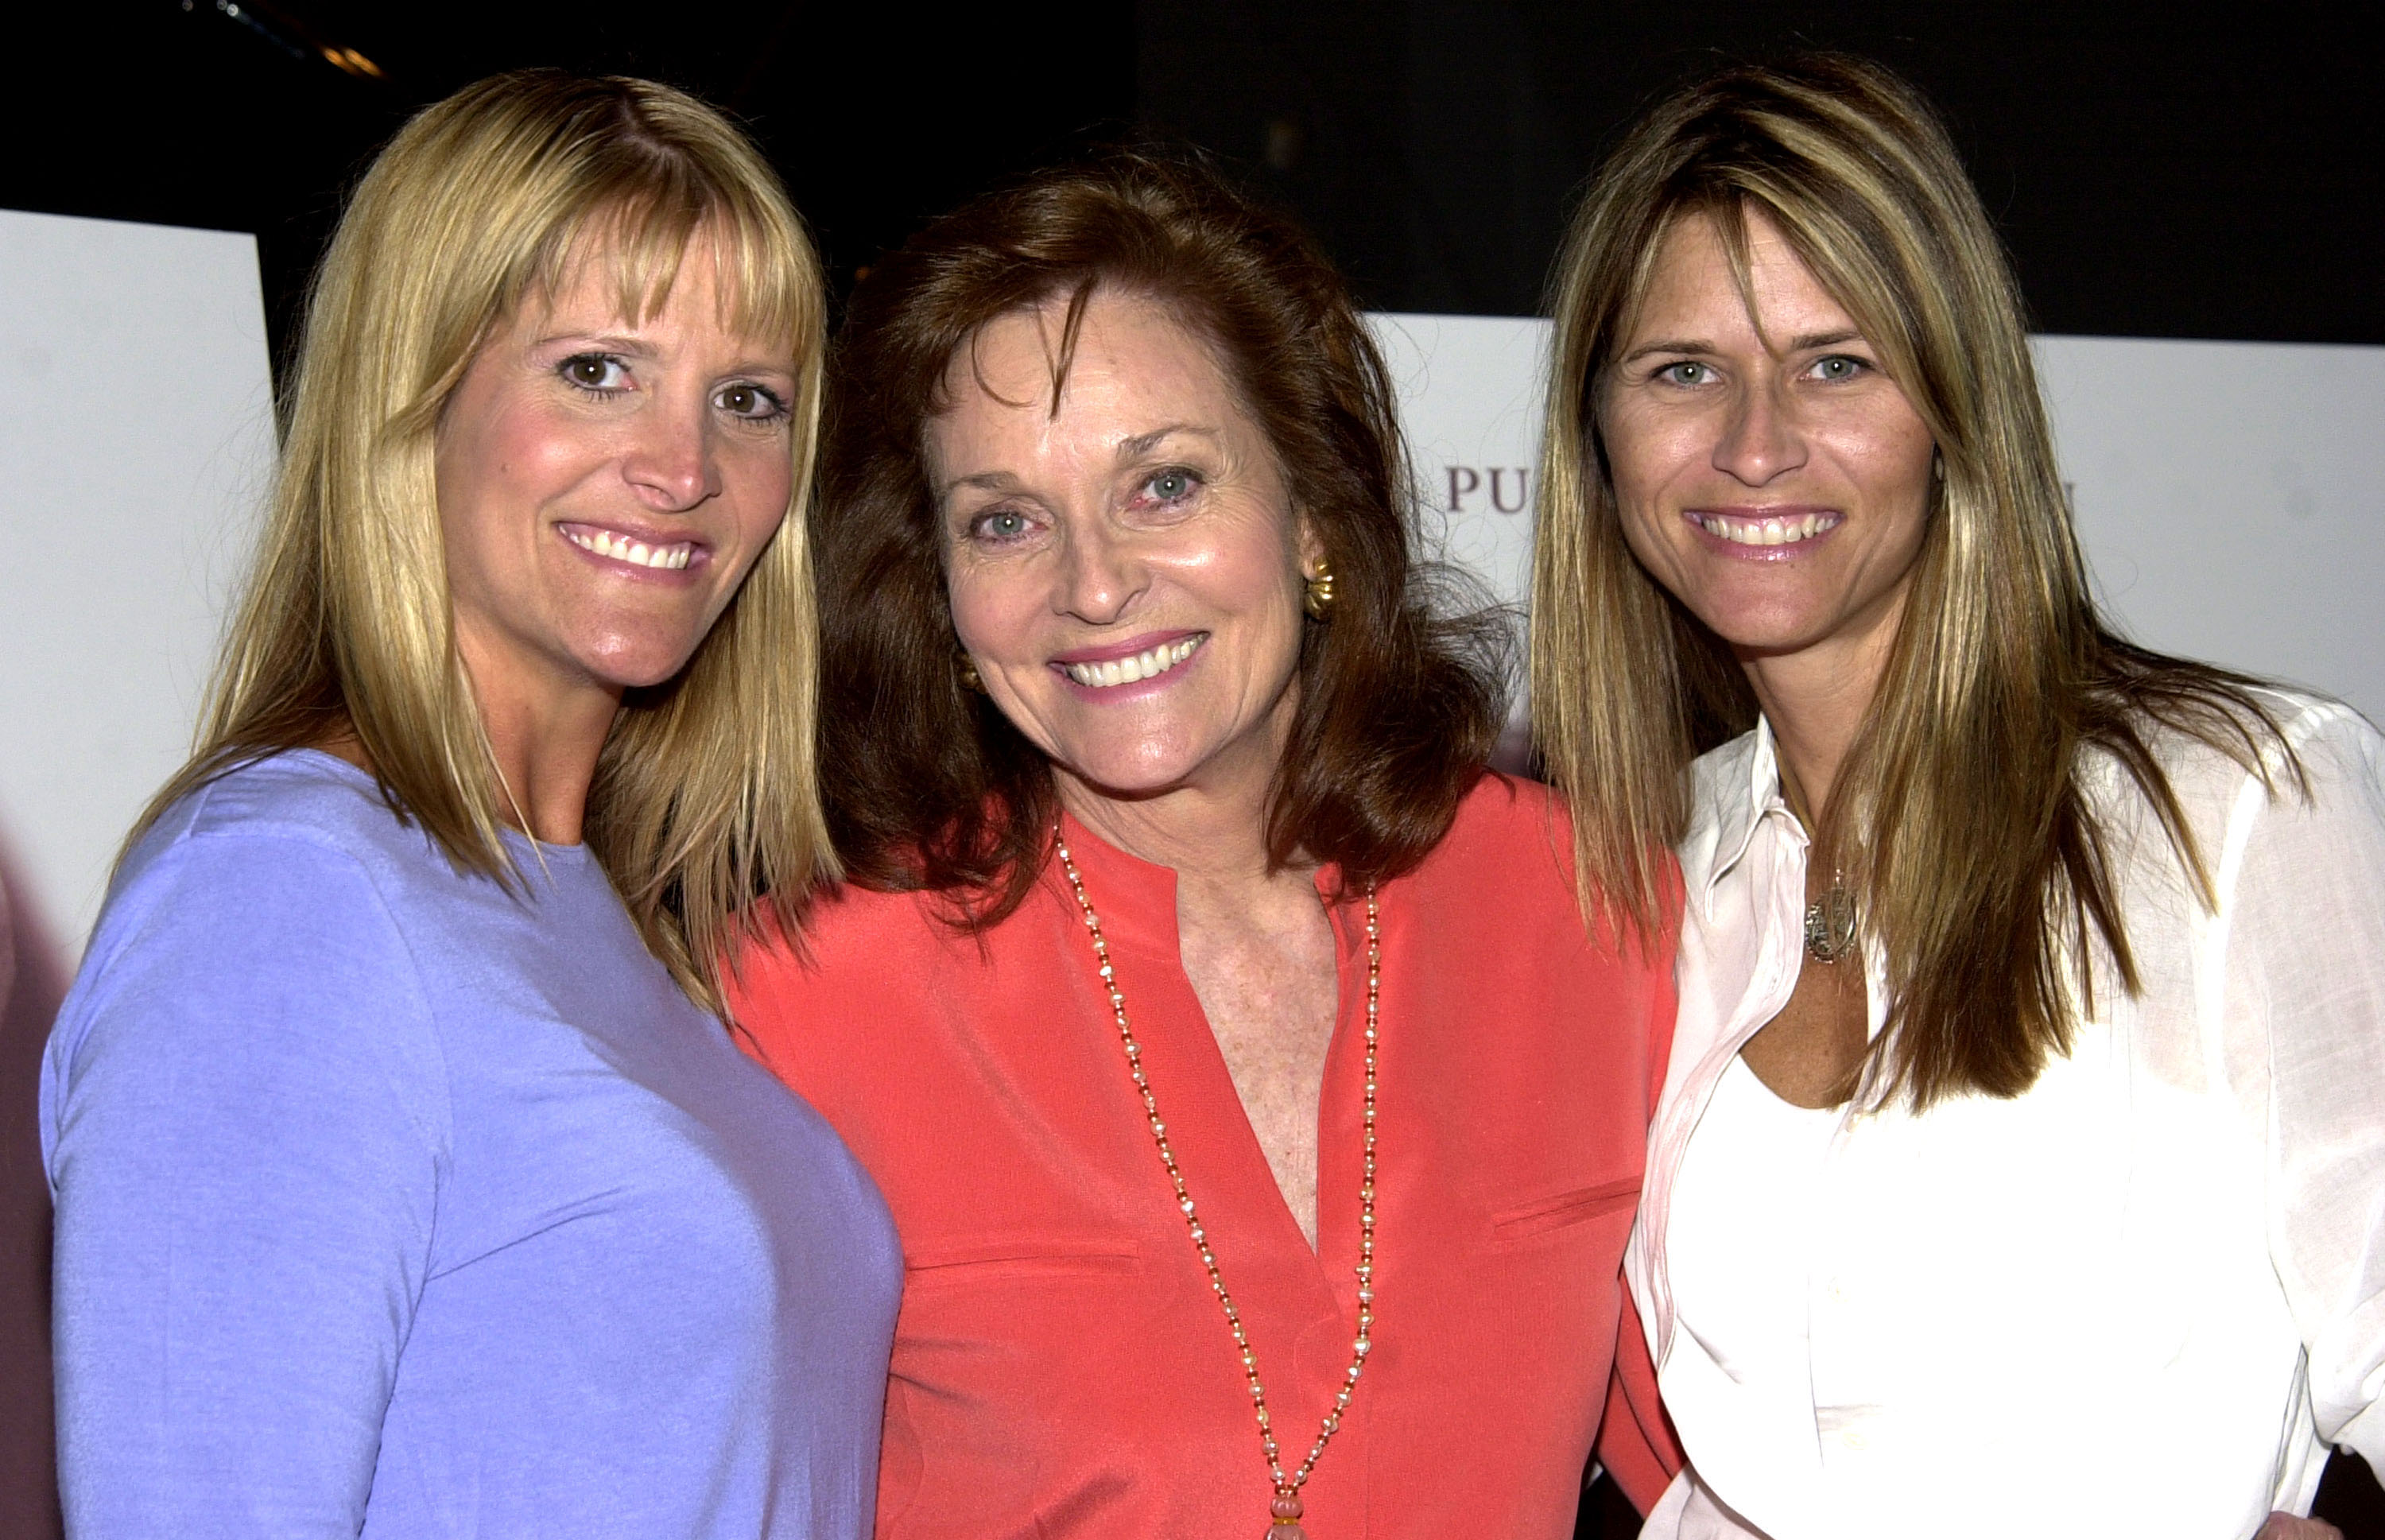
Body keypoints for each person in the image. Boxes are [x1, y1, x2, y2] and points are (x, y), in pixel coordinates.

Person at [725, 153, 1680, 1538]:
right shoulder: (806, 1001)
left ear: (1313, 522)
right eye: (1004, 520)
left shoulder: (1591, 914)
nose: (1095, 582)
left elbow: (1751, 1457)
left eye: (1165, 484)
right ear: (937, 595)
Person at [1529, 52, 2384, 1540]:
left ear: (1954, 400)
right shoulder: (1640, 872)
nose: (1754, 442)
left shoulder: (2237, 806)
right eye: (1683, 370)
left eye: (1837, 360)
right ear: (1602, 435)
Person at [41, 72, 900, 1537]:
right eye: (596, 370)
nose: (685, 467)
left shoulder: (607, 918)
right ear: (414, 390)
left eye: (746, 399)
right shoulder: (283, 901)